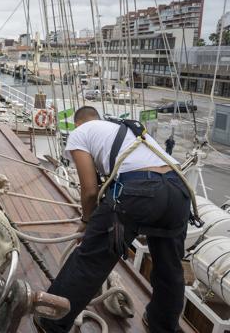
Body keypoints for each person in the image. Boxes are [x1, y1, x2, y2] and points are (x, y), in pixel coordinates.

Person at [35, 106, 191, 333]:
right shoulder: (124, 129)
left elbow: (89, 191)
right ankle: (163, 325)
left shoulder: (80, 133)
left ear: (79, 124)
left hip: (138, 190)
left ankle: (52, 320)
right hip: (178, 189)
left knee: (91, 259)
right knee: (170, 267)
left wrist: (88, 222)